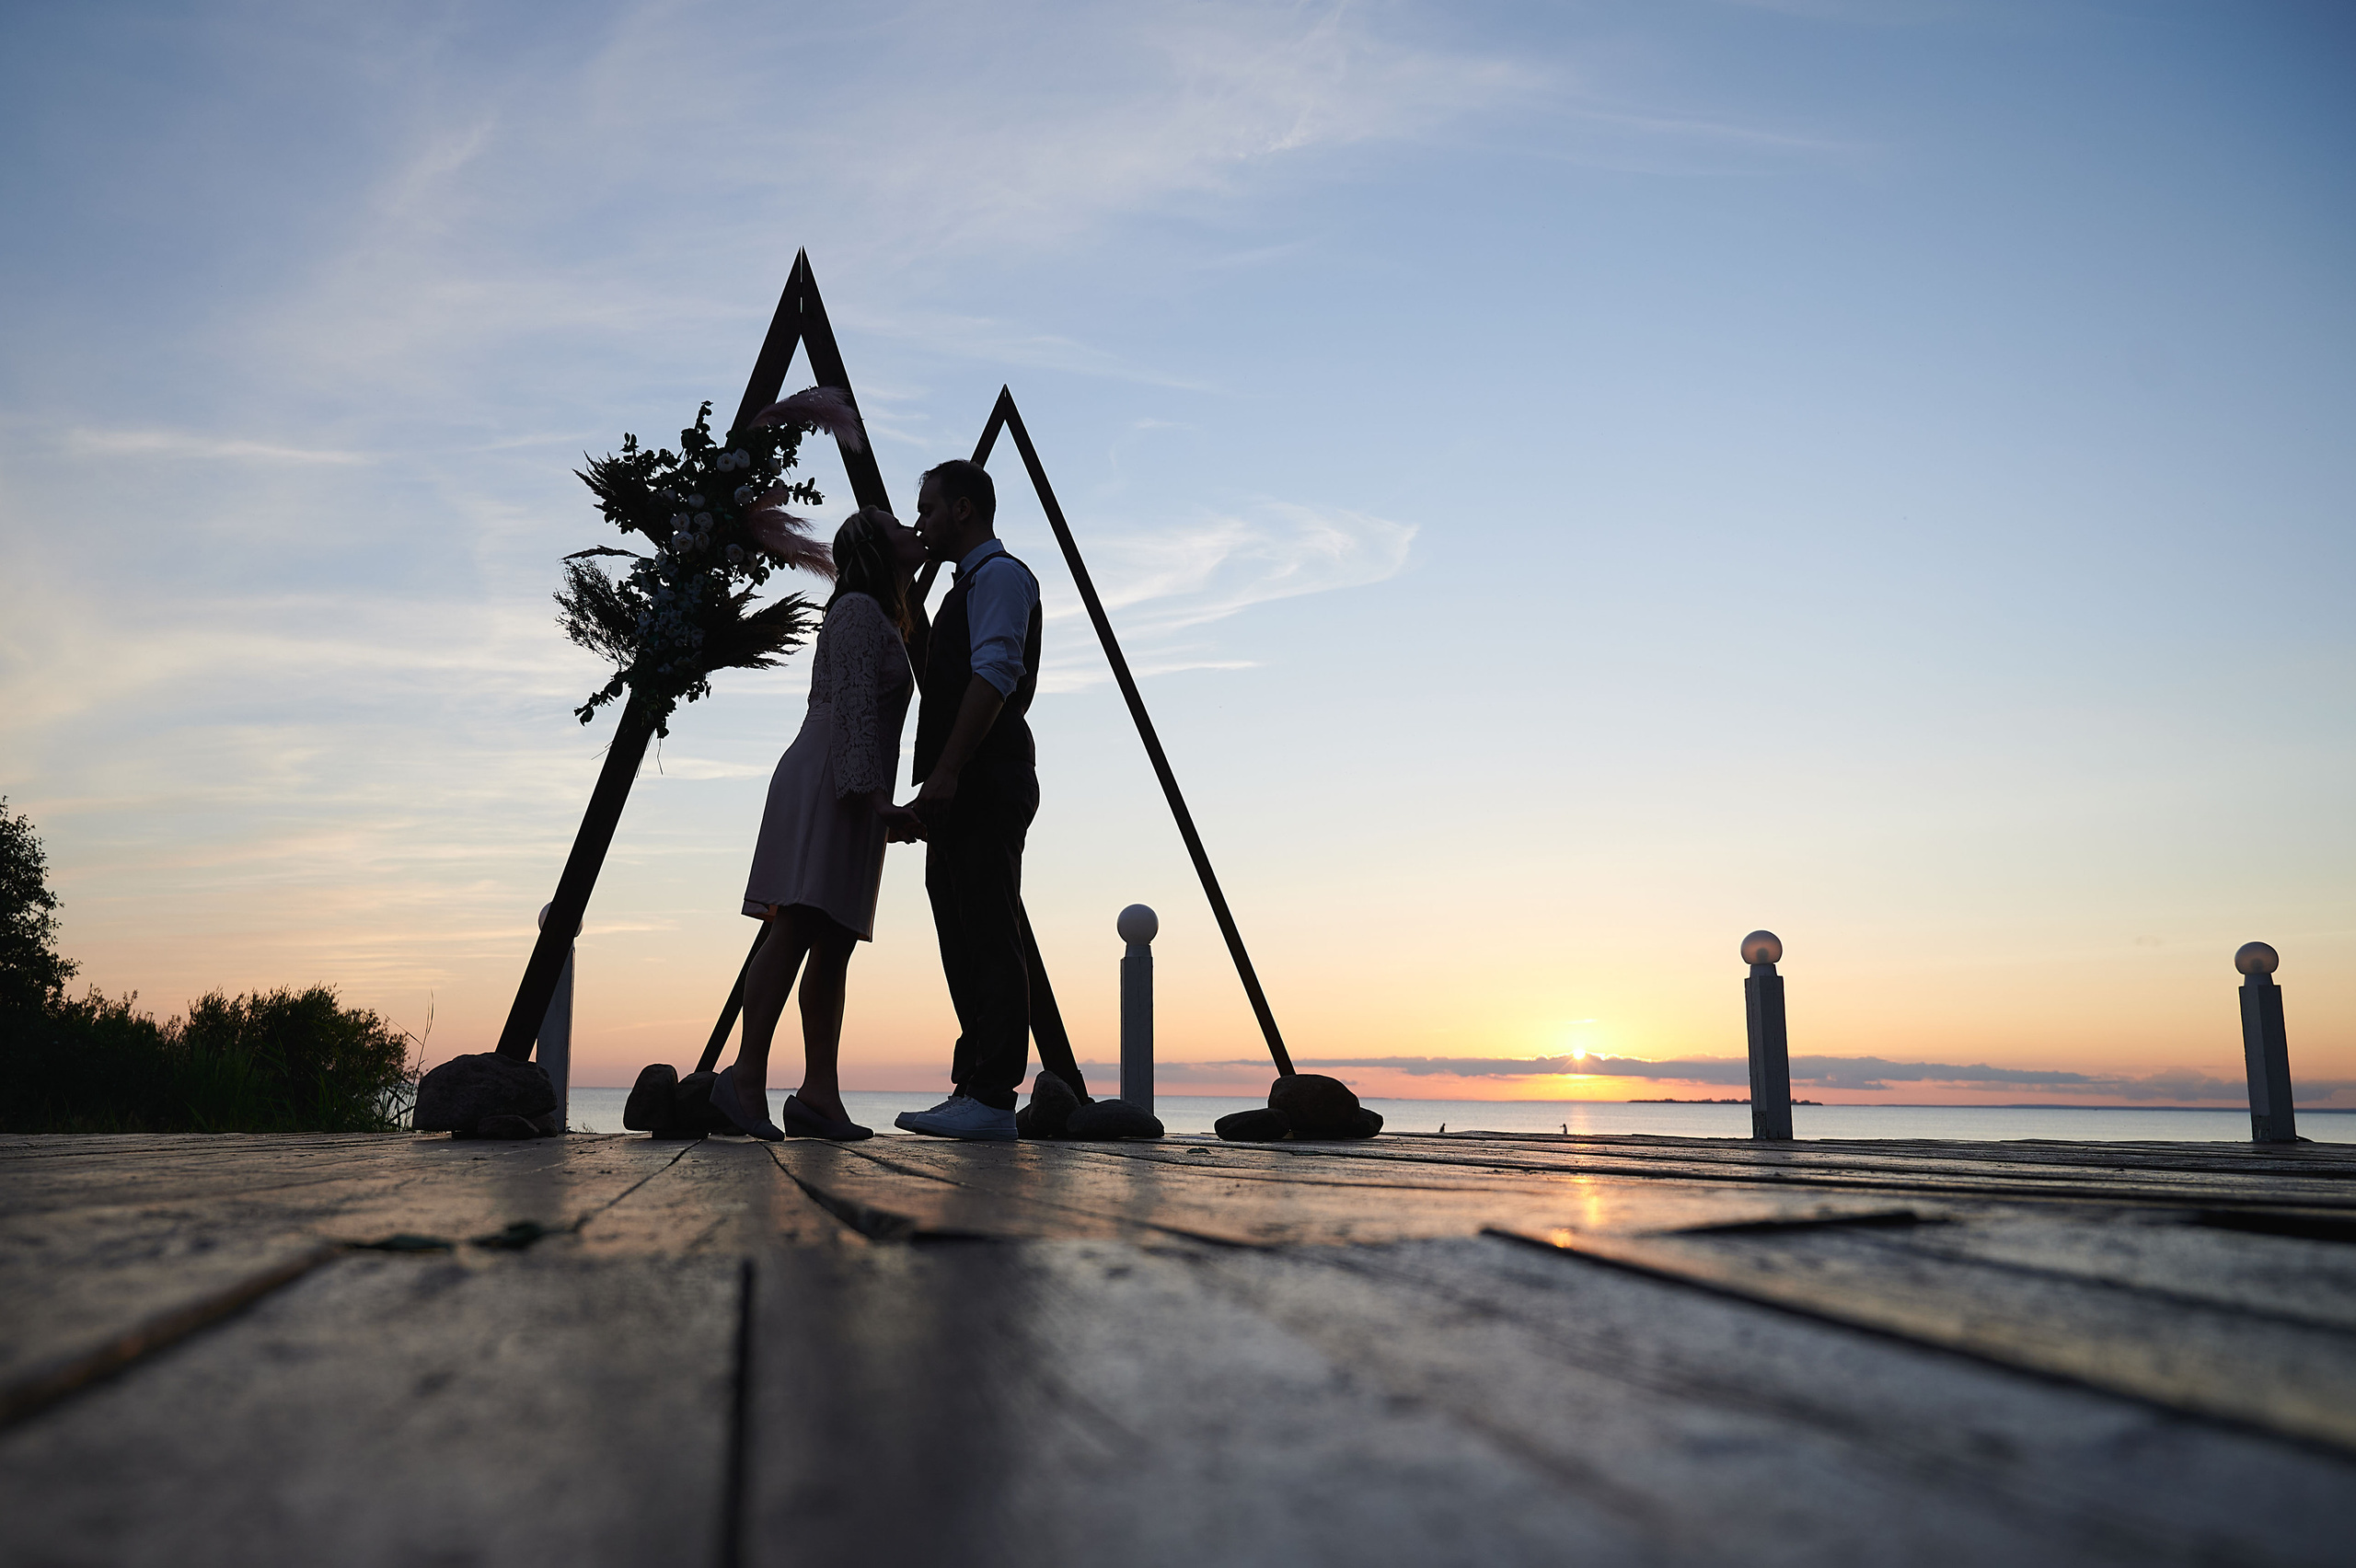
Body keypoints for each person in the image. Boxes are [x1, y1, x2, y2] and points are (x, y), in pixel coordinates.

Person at [710, 506, 928, 1141]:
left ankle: (818, 1095)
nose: (913, 532)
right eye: (898, 529)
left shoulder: (876, 613)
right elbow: (856, 709)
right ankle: (746, 1078)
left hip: (848, 779)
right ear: (874, 550)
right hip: (832, 777)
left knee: (833, 942)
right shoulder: (859, 611)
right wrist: (875, 800)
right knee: (800, 924)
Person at [894, 459, 1044, 1141]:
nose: (919, 522)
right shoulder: (966, 585)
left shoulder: (1001, 578)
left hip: (988, 775)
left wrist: (949, 770)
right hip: (966, 781)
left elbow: (996, 671)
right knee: (961, 927)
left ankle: (992, 1093)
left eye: (926, 509)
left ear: (961, 509)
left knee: (986, 927)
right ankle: (975, 1083)